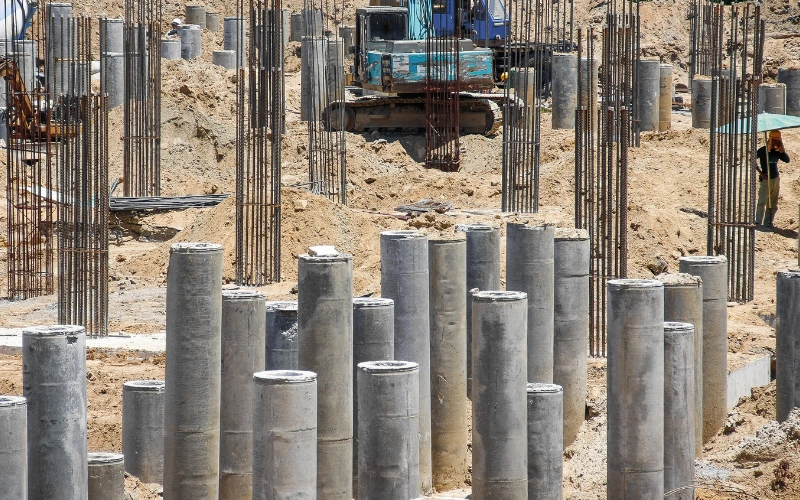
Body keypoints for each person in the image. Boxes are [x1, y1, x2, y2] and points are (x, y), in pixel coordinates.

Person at [756, 130, 790, 227]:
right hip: (766, 179)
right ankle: (758, 222)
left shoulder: (777, 152)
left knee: (773, 203)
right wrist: (760, 172)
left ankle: (768, 222)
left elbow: (787, 160)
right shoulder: (762, 151)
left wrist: (782, 150)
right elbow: (751, 159)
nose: (777, 143)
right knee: (762, 201)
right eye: (775, 141)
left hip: (775, 178)